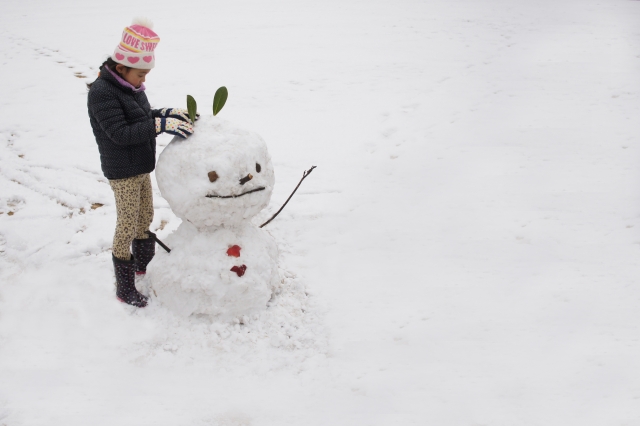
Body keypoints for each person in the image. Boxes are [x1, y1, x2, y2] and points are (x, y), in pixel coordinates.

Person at [87, 19, 195, 307]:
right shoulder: (102, 93)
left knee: (144, 216)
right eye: (141, 74)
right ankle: (124, 287)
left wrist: (168, 113)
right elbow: (121, 133)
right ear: (121, 67)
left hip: (139, 166)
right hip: (122, 171)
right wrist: (161, 125)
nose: (143, 81)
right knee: (126, 225)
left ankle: (144, 266)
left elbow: (142, 117)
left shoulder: (130, 87)